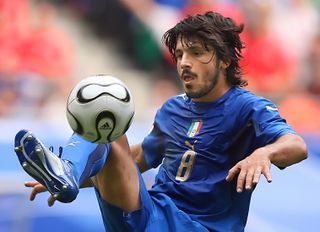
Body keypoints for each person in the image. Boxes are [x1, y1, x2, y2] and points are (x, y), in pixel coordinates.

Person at [14, 11, 308, 231]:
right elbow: (134, 159)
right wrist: (74, 176)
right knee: (106, 112)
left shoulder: (247, 107)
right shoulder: (172, 109)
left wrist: (263, 153)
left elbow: (296, 145)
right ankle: (66, 171)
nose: (184, 63)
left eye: (195, 53)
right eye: (179, 54)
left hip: (198, 227)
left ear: (224, 60)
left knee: (108, 108)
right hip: (151, 216)